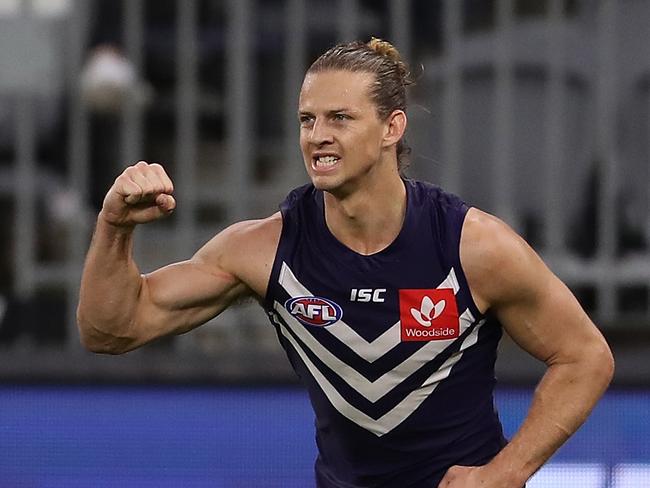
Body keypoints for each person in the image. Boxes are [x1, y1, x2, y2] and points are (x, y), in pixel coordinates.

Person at [77, 39, 614, 488]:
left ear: (392, 128)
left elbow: (585, 356)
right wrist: (114, 226)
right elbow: (113, 330)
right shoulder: (263, 249)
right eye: (307, 120)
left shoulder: (474, 247)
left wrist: (504, 473)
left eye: (340, 118)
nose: (318, 136)